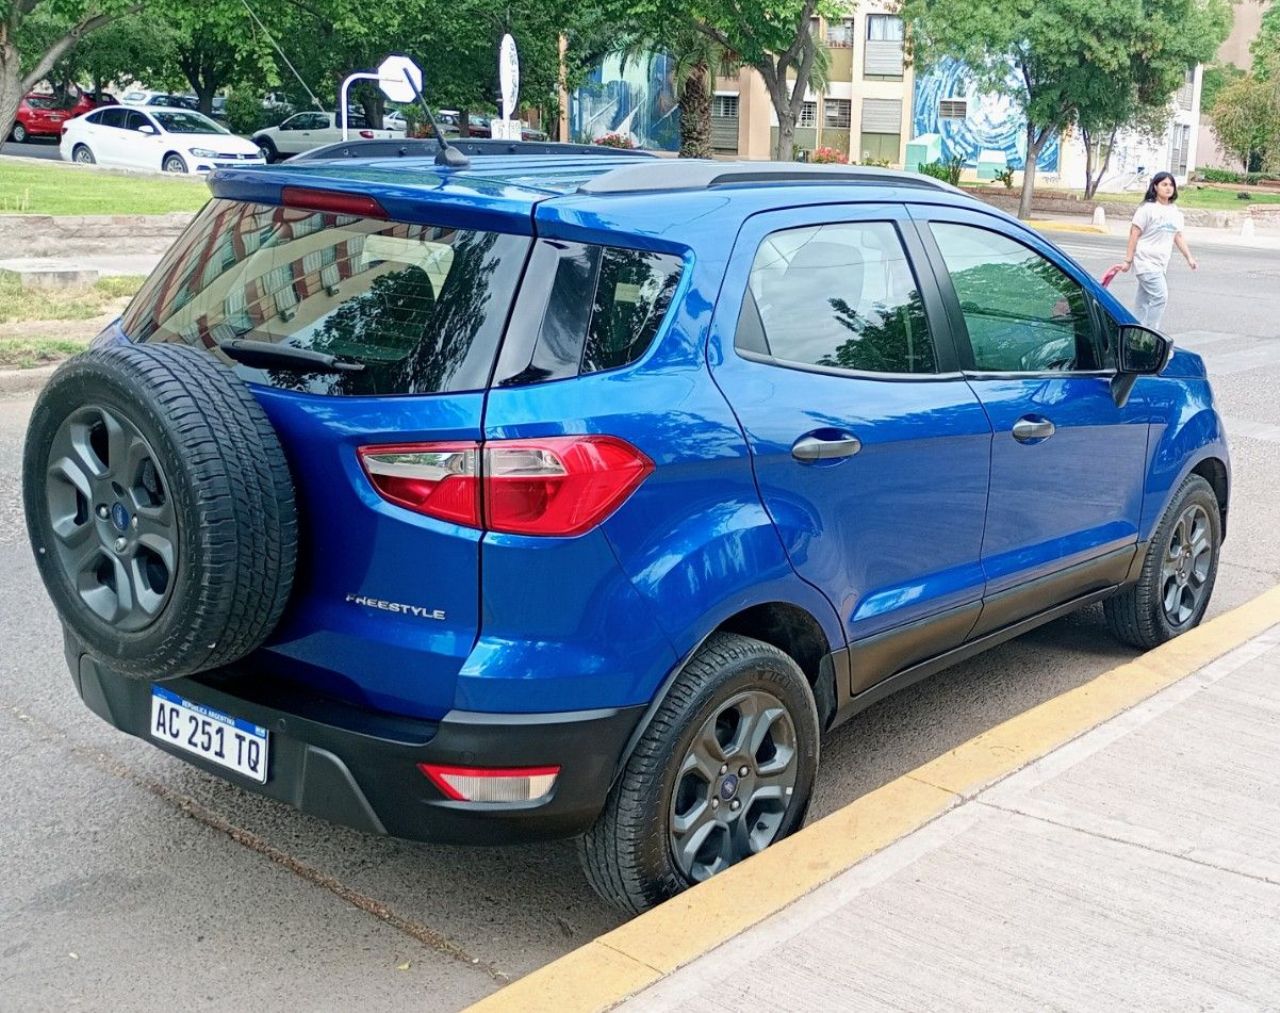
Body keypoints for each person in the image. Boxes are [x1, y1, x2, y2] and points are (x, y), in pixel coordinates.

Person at [1114, 171, 1197, 329]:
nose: (1168, 188)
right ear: (1155, 186)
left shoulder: (1175, 212)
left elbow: (1177, 236)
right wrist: (1127, 260)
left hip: (1160, 264)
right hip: (1145, 262)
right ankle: (1152, 334)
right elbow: (1134, 233)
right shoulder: (1147, 209)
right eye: (1164, 184)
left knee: (1143, 301)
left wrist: (1189, 258)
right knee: (1160, 296)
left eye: (1171, 185)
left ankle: (1135, 332)